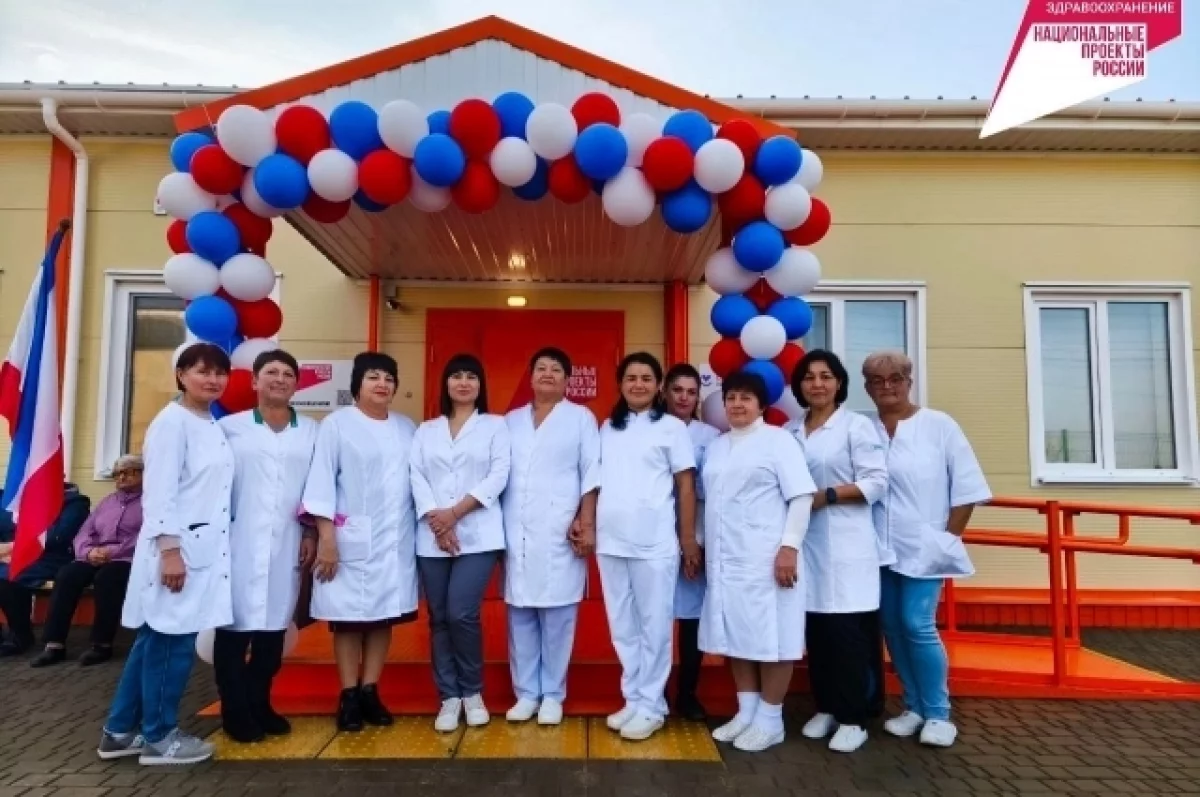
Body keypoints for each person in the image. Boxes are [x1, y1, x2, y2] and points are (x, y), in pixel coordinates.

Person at [97, 342, 234, 766]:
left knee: (152, 639)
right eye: (202, 371)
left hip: (198, 548)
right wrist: (171, 552)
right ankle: (159, 736)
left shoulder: (208, 422)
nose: (212, 379)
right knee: (172, 643)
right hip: (178, 553)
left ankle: (120, 731)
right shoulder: (172, 424)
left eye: (219, 373)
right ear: (181, 375)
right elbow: (159, 494)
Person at [863, 350, 991, 749]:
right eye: (877, 380)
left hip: (924, 546)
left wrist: (947, 539)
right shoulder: (865, 430)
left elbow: (966, 488)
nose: (887, 386)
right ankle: (914, 706)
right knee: (891, 625)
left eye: (895, 378)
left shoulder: (939, 426)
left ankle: (938, 712)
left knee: (917, 624)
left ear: (909, 381)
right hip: (878, 549)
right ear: (867, 387)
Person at [301, 351, 418, 733]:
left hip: (396, 539)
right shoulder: (336, 425)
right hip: (349, 538)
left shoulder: (407, 428)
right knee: (350, 620)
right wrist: (327, 539)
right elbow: (321, 483)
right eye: (373, 377)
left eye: (389, 378)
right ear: (358, 384)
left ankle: (370, 690)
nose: (382, 384)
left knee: (384, 616)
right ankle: (349, 694)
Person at [700, 370, 815, 753]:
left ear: (762, 404)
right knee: (737, 635)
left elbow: (801, 497)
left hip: (767, 558)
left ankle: (770, 719)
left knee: (773, 637)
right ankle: (746, 711)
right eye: (731, 397)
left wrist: (789, 548)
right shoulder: (717, 447)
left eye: (746, 398)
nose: (737, 404)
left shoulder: (778, 442)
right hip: (726, 559)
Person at [214, 350, 319, 743]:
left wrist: (311, 533)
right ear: (255, 381)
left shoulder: (311, 431)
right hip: (237, 543)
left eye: (288, 373)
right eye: (271, 372)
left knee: (272, 632)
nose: (280, 379)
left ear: (297, 384)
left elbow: (318, 489)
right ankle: (234, 710)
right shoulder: (230, 428)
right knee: (233, 631)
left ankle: (259, 702)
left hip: (288, 543)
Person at [787, 351, 888, 753]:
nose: (817, 384)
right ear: (799, 385)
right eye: (809, 377)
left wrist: (826, 496)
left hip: (847, 546)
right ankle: (827, 706)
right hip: (807, 545)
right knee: (818, 631)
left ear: (839, 383)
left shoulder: (856, 426)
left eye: (826, 376)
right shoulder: (792, 431)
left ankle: (854, 718)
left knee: (848, 635)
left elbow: (877, 482)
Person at [597, 351, 696, 742]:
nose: (638, 384)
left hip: (654, 542)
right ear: (621, 384)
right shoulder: (608, 427)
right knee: (623, 626)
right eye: (631, 378)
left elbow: (685, 486)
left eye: (646, 378)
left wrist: (687, 540)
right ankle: (634, 698)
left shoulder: (672, 427)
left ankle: (653, 705)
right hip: (611, 540)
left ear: (658, 387)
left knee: (654, 626)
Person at [411, 354, 510, 733]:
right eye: (457, 376)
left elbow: (499, 474)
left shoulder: (495, 426)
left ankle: (472, 691)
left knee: (461, 613)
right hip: (432, 534)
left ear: (480, 385)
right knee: (439, 617)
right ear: (446, 384)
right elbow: (416, 474)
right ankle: (449, 697)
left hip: (479, 534)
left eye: (471, 376)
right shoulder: (427, 430)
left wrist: (455, 513)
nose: (464, 382)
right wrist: (437, 520)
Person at [502, 347, 600, 726]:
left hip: (561, 529)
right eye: (540, 368)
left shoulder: (580, 418)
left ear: (567, 379)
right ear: (530, 376)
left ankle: (553, 694)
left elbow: (591, 473)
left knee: (558, 617)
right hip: (517, 530)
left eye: (556, 369)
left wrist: (586, 522)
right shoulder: (510, 420)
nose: (547, 374)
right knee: (521, 615)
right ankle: (526, 693)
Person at [30, 458, 143, 668]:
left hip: (128, 558)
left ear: (143, 474)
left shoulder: (151, 503)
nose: (121, 477)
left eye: (128, 472)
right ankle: (54, 645)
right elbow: (85, 532)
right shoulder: (107, 502)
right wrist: (88, 552)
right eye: (117, 473)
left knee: (107, 578)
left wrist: (111, 551)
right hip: (93, 556)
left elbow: (145, 536)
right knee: (67, 575)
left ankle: (101, 644)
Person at [661, 364, 720, 721]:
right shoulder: (649, 427)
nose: (684, 397)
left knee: (691, 617)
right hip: (652, 532)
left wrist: (693, 543)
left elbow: (710, 488)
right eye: (677, 390)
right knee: (653, 618)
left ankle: (687, 693)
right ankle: (652, 691)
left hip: (695, 533)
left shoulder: (710, 436)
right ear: (664, 392)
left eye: (691, 392)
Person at [0, 483, 91, 656]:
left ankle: (20, 635)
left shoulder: (74, 503)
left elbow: (57, 536)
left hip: (49, 558)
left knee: (7, 577)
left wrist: (13, 548)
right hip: (10, 556)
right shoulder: (13, 499)